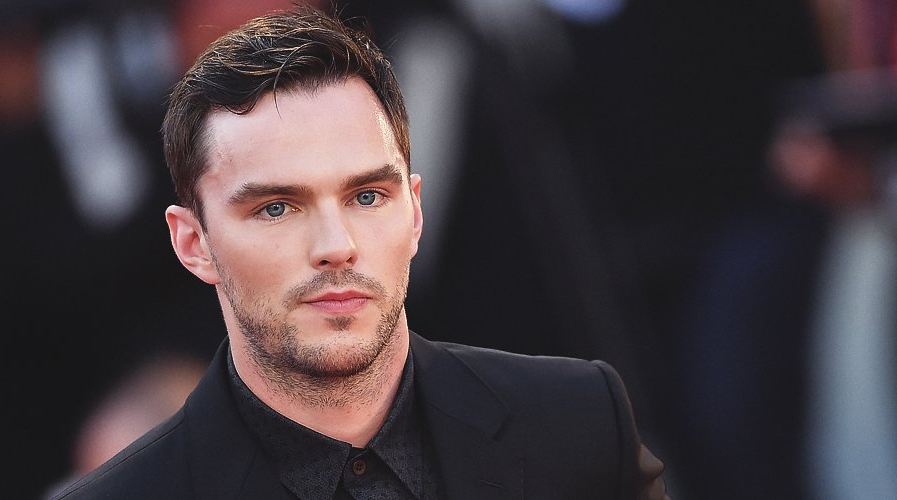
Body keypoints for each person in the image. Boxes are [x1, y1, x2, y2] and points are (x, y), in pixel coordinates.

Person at [54, 7, 667, 500]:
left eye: (367, 196)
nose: (335, 246)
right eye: (276, 208)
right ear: (194, 243)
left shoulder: (581, 422)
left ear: (415, 209)